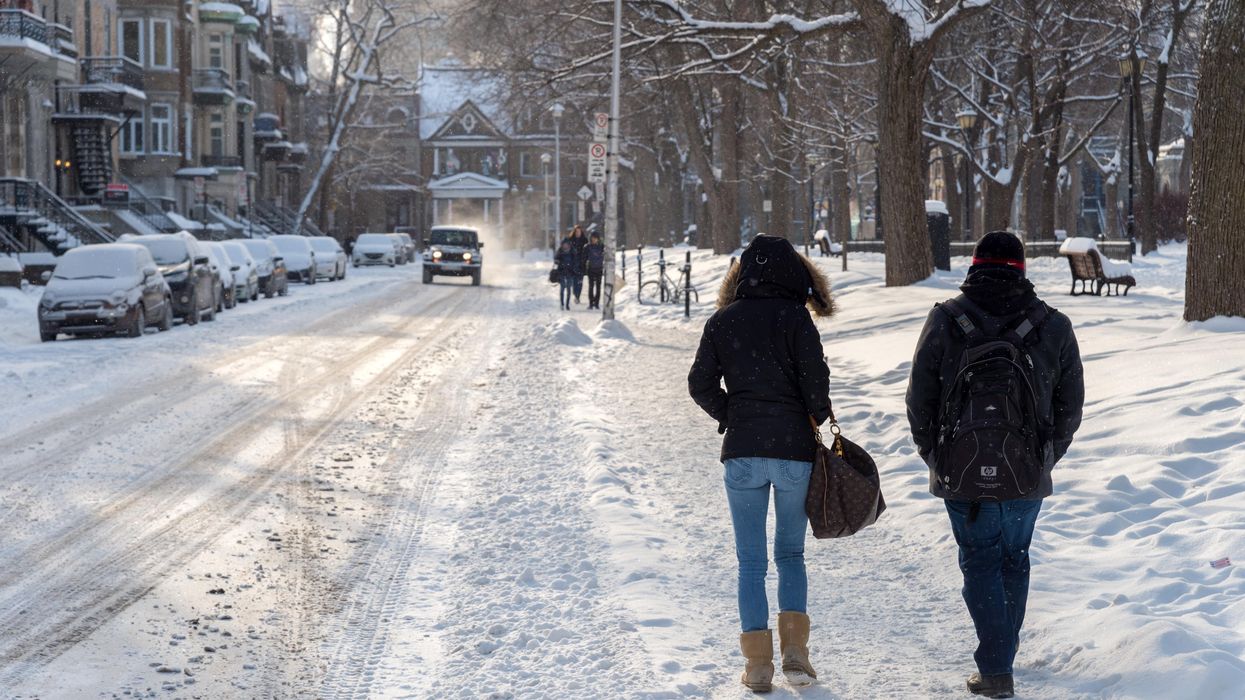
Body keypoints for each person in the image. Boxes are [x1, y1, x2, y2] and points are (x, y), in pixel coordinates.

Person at [906, 231, 1084, 699]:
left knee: (980, 562)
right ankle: (1001, 656)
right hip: (1026, 469)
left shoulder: (946, 319)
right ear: (1022, 269)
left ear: (974, 264)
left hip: (960, 469)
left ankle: (997, 666)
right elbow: (1071, 407)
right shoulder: (1054, 325)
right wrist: (1045, 457)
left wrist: (938, 457)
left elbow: (919, 399)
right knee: (1014, 559)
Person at [687, 234, 835, 693]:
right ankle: (796, 653)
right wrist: (812, 415)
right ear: (793, 274)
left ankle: (757, 666)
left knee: (750, 563)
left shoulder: (723, 321)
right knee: (790, 555)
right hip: (794, 453)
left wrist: (733, 414)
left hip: (744, 453)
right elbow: (816, 386)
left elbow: (699, 383)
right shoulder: (796, 319)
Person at [554, 241, 577, 310]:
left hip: (570, 273)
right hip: (562, 272)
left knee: (569, 289)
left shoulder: (572, 252)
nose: (565, 246)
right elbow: (555, 259)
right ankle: (562, 304)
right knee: (562, 288)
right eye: (564, 244)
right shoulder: (560, 252)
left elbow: (575, 261)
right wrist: (557, 261)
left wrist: (574, 269)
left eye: (566, 244)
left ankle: (567, 304)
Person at [567, 226, 588, 303]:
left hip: (581, 263)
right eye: (576, 231)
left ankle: (577, 296)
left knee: (580, 281)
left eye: (579, 231)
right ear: (574, 232)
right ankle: (575, 294)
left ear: (581, 232)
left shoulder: (585, 240)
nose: (578, 233)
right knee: (574, 281)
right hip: (572, 263)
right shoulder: (570, 240)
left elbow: (587, 251)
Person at [585, 232, 605, 309]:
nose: (593, 239)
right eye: (592, 238)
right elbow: (584, 257)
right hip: (591, 268)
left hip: (599, 268)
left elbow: (605, 255)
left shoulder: (601, 246)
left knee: (598, 287)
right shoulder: (588, 247)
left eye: (595, 238)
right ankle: (591, 302)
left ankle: (596, 303)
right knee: (591, 286)